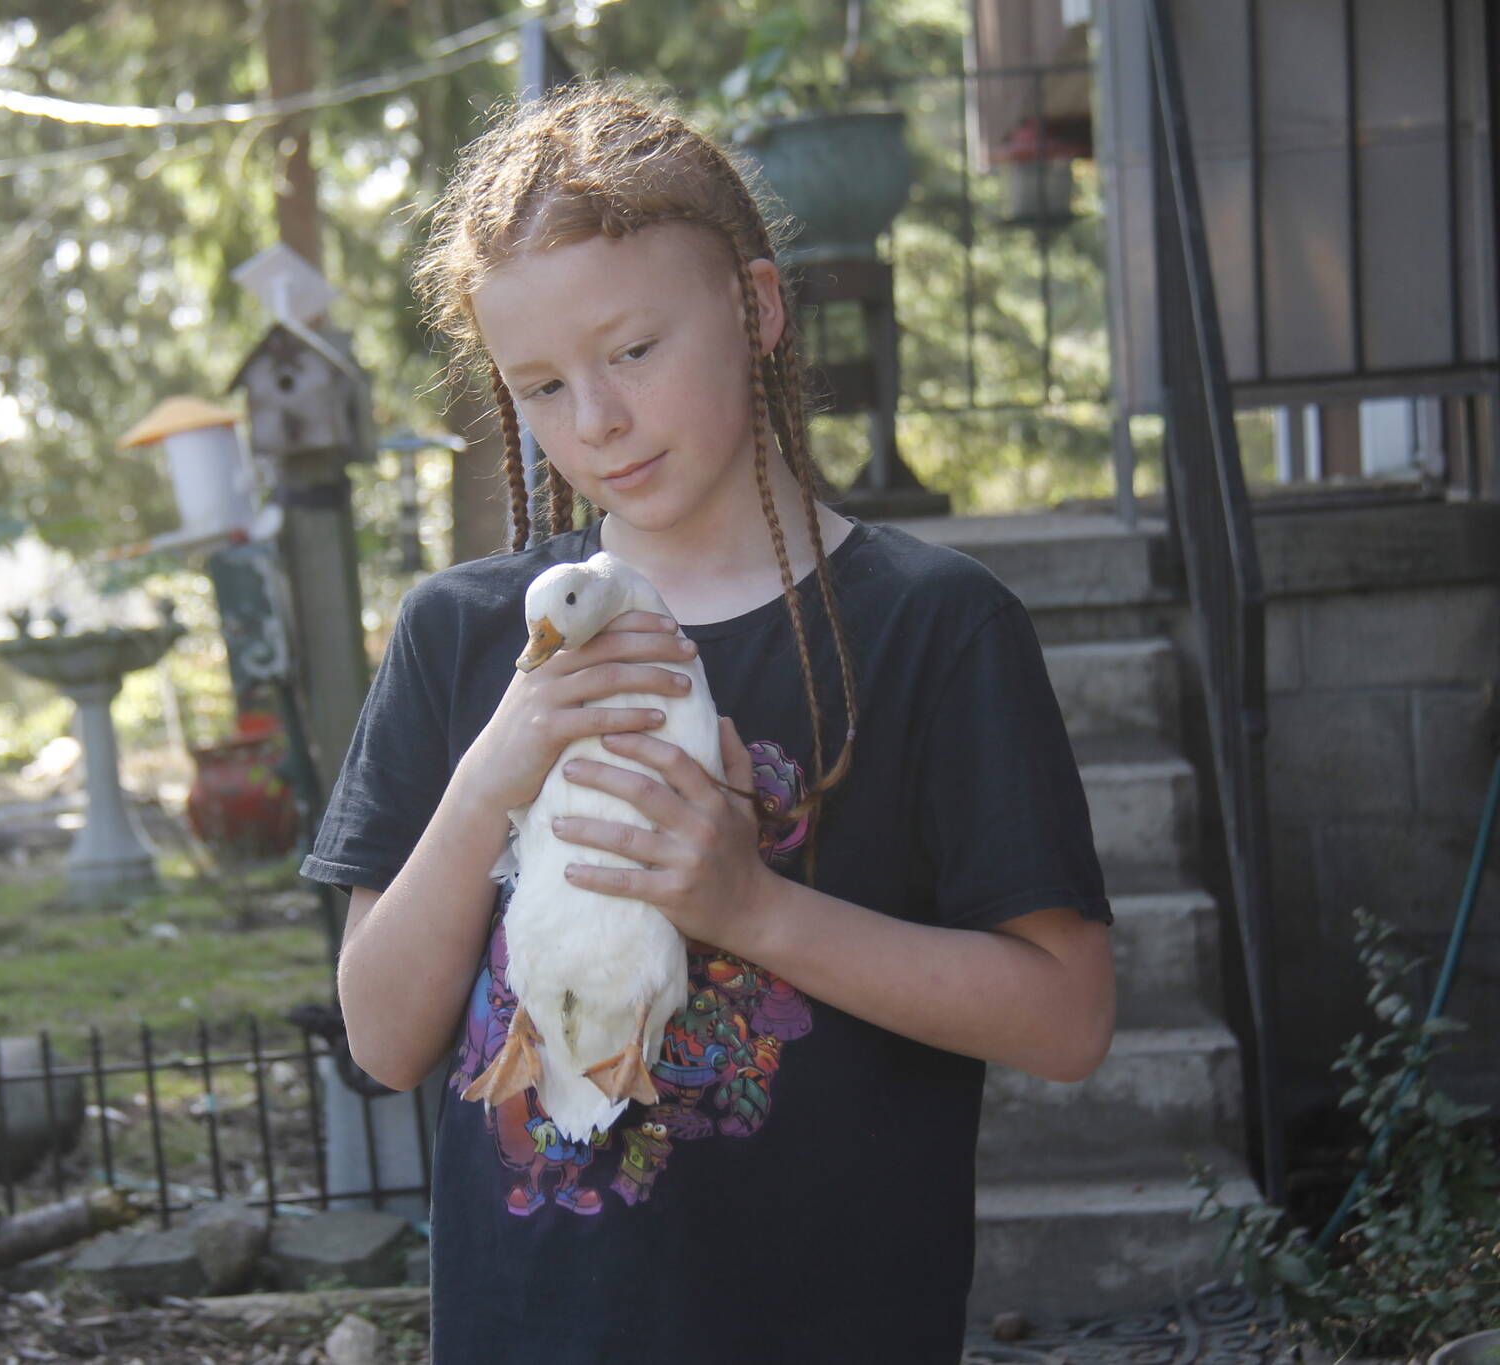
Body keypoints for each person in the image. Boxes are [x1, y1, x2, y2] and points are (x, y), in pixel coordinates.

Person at [300, 79, 1115, 1362]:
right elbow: (383, 1038)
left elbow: (1065, 1020)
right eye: (541, 385)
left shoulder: (934, 628)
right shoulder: (461, 636)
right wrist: (490, 776)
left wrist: (750, 908)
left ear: (756, 307)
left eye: (632, 351)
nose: (596, 421)